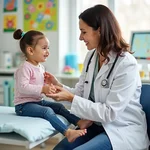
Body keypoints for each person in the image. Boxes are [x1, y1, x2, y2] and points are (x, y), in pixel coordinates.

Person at [44, 4, 150, 150]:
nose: (80, 37)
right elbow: (81, 93)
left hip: (120, 129)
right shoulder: (91, 57)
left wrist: (69, 98)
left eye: (83, 32)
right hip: (95, 124)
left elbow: (109, 112)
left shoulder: (126, 64)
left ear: (99, 30)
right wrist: (60, 87)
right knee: (60, 149)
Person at [13, 29, 93, 143]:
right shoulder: (24, 68)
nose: (48, 51)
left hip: (36, 101)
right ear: (30, 50)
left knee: (59, 107)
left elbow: (38, 86)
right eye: (44, 48)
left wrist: (49, 87)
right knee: (47, 111)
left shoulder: (40, 67)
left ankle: (79, 122)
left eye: (48, 48)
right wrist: (42, 88)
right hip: (23, 106)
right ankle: (67, 132)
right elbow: (23, 87)